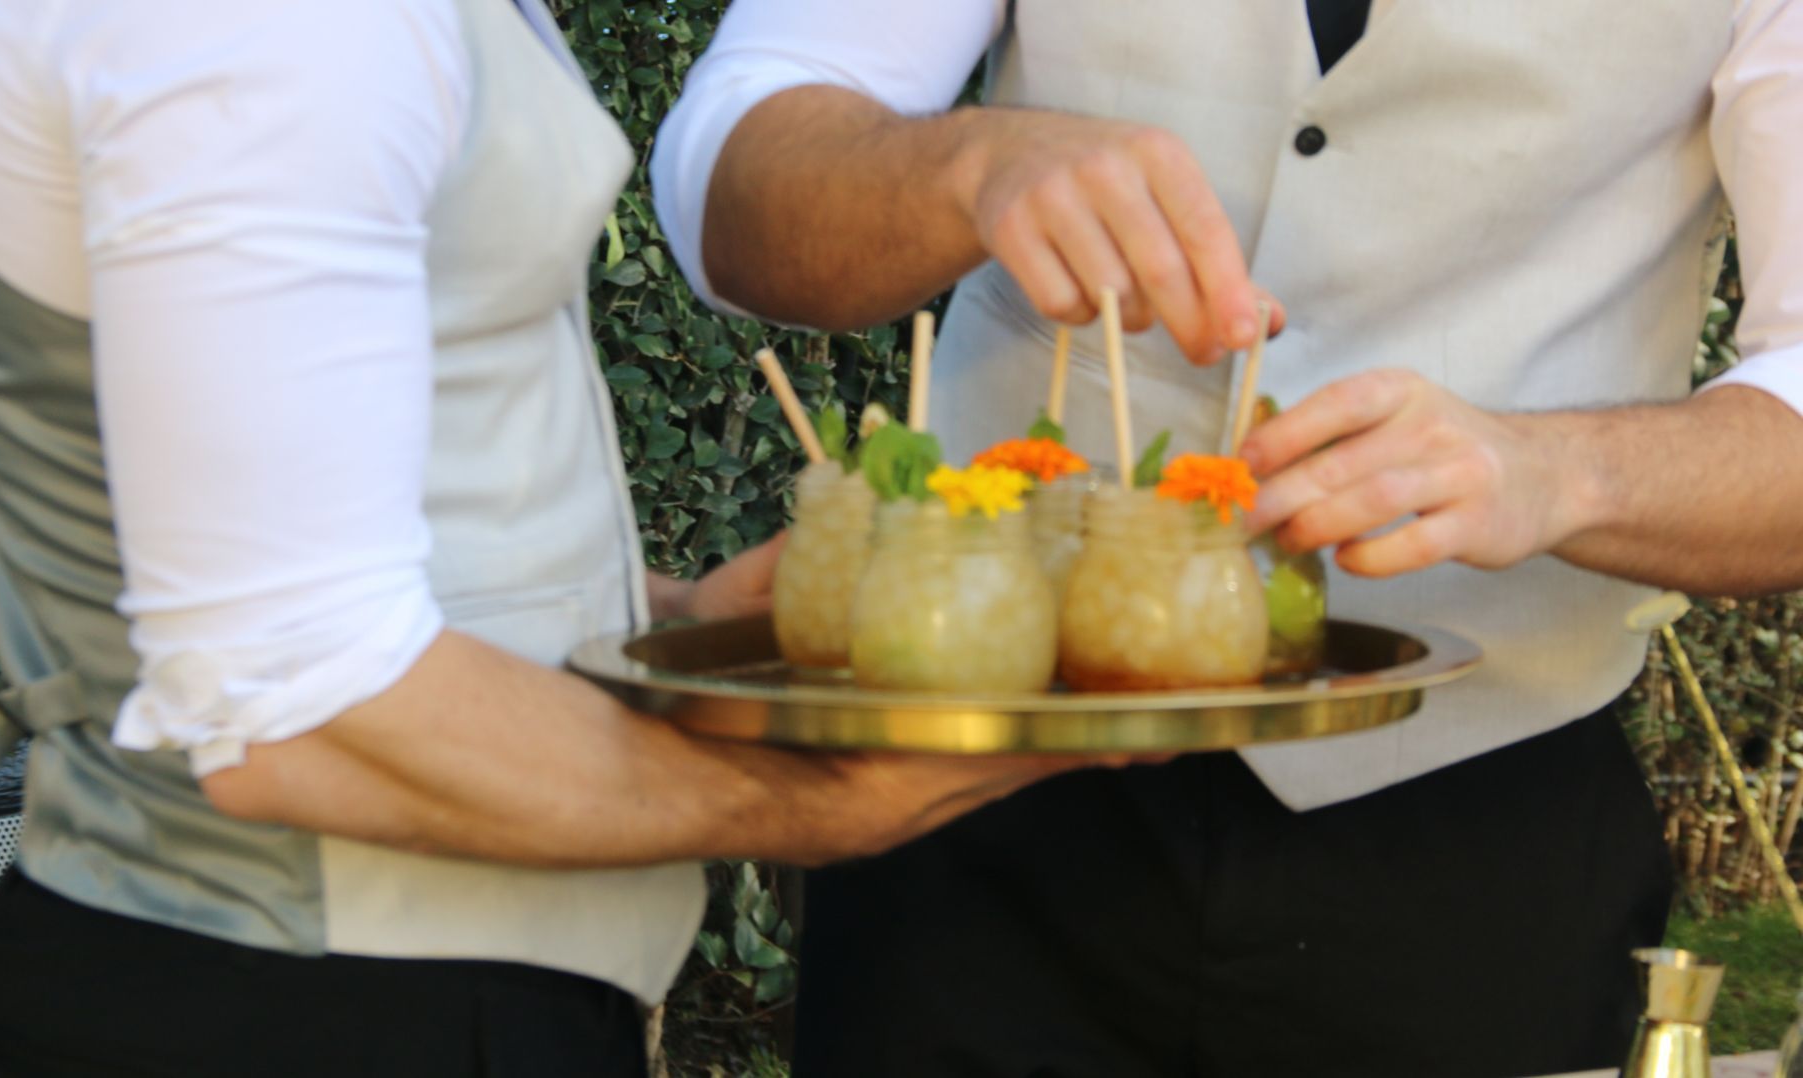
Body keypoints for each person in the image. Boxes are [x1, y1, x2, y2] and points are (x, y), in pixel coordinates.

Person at [0, 0, 1106, 1073]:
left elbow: (288, 537)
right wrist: (806, 801)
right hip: (325, 1008)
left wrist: (677, 622)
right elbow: (293, 701)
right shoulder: (252, 21)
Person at [653, 1, 1803, 1074]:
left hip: (1480, 834)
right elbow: (736, 165)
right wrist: (965, 164)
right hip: (975, 799)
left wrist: (1566, 469)